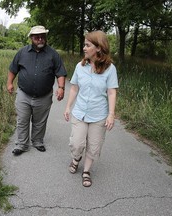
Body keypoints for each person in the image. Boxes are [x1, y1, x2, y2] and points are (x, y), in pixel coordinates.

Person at [64, 30, 118, 187]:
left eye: (87, 45)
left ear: (99, 48)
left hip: (99, 115)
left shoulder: (110, 69)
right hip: (80, 112)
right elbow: (74, 88)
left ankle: (86, 171)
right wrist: (68, 107)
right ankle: (76, 158)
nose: (84, 48)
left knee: (94, 146)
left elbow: (111, 92)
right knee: (77, 144)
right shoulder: (80, 66)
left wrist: (111, 114)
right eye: (84, 45)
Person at [7, 25, 67, 156]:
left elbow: (60, 72)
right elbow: (13, 69)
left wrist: (61, 88)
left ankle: (37, 141)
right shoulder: (22, 52)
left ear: (45, 37)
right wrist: (9, 83)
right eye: (36, 37)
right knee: (22, 119)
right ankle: (22, 144)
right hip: (24, 93)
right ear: (31, 38)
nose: (40, 39)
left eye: (42, 36)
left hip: (44, 95)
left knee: (40, 121)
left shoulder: (53, 54)